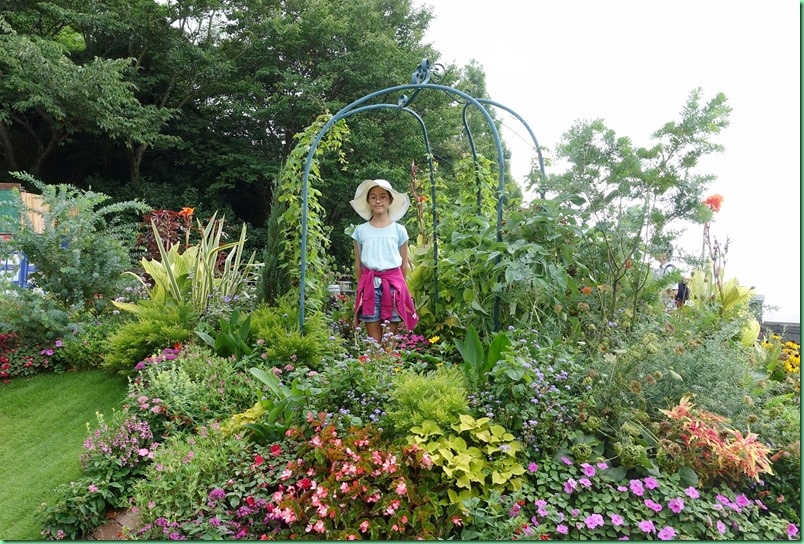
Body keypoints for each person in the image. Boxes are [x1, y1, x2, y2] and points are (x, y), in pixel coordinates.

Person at [350, 179, 419, 342]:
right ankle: (374, 364)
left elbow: (403, 264)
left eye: (382, 197)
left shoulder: (399, 230)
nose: (378, 200)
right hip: (369, 288)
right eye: (373, 197)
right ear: (368, 201)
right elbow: (358, 265)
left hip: (393, 288)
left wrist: (401, 288)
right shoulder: (360, 231)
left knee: (389, 340)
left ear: (390, 201)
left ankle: (389, 365)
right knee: (374, 341)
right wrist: (362, 288)